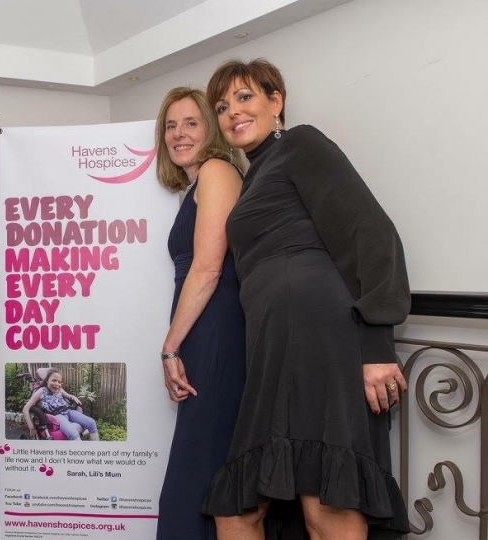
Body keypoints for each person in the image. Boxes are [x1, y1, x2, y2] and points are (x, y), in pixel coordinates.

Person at [203, 58, 411, 540]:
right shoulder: (254, 175)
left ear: (276, 103)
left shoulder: (301, 143)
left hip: (319, 336)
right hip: (275, 348)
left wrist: (378, 346)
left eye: (244, 97)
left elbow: (373, 234)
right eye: (221, 105)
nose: (232, 111)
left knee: (325, 502)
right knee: (238, 508)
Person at [153, 87, 247, 540]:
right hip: (201, 331)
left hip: (217, 331)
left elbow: (208, 269)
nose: (178, 134)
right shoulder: (195, 184)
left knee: (195, 478)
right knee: (201, 471)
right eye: (170, 126)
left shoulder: (217, 170)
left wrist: (169, 348)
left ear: (211, 128)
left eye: (190, 123)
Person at [22, 367, 99, 441]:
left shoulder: (60, 390)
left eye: (59, 382)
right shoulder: (41, 391)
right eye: (54, 380)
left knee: (92, 423)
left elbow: (69, 396)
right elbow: (26, 409)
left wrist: (74, 397)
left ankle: (96, 450)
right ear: (47, 380)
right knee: (73, 433)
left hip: (68, 411)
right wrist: (31, 428)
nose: (57, 384)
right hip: (57, 415)